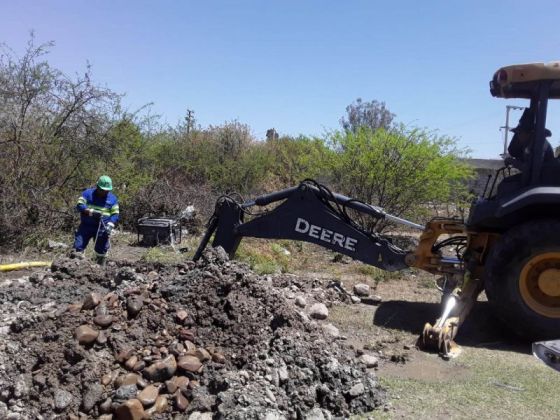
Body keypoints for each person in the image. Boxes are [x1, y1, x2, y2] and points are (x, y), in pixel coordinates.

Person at [74, 175, 119, 265]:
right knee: (78, 247)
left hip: (102, 228)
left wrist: (111, 224)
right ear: (97, 186)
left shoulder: (112, 199)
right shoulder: (87, 193)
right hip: (86, 226)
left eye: (107, 191)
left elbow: (115, 213)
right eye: (102, 190)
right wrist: (90, 211)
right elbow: (79, 205)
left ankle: (100, 268)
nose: (105, 192)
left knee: (101, 250)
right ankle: (77, 266)